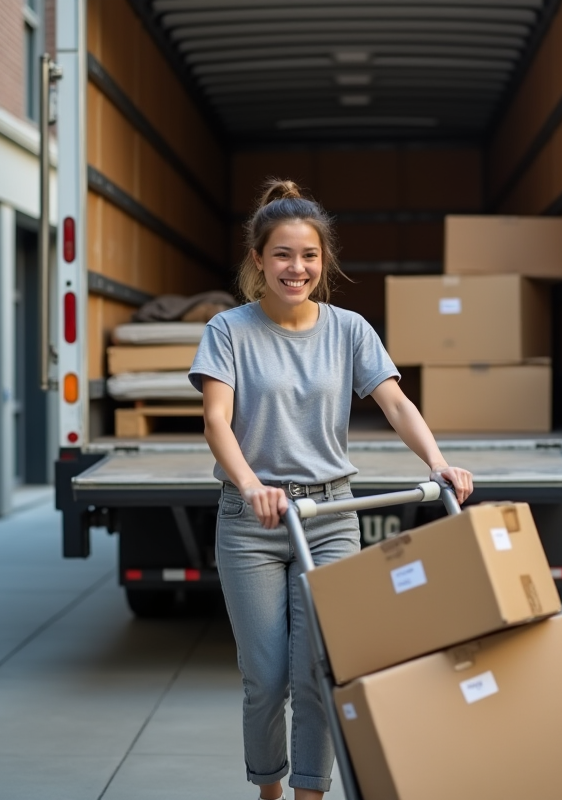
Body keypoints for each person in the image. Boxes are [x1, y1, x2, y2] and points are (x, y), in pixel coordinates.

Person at [188, 179, 474, 800]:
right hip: (252, 520)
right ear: (258, 260)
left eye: (309, 255)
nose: (297, 268)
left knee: (321, 671)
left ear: (325, 260)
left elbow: (395, 403)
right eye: (283, 255)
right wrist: (252, 485)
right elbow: (216, 420)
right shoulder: (228, 331)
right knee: (266, 679)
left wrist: (439, 463)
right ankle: (269, 791)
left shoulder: (349, 330)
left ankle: (310, 795)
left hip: (330, 513)